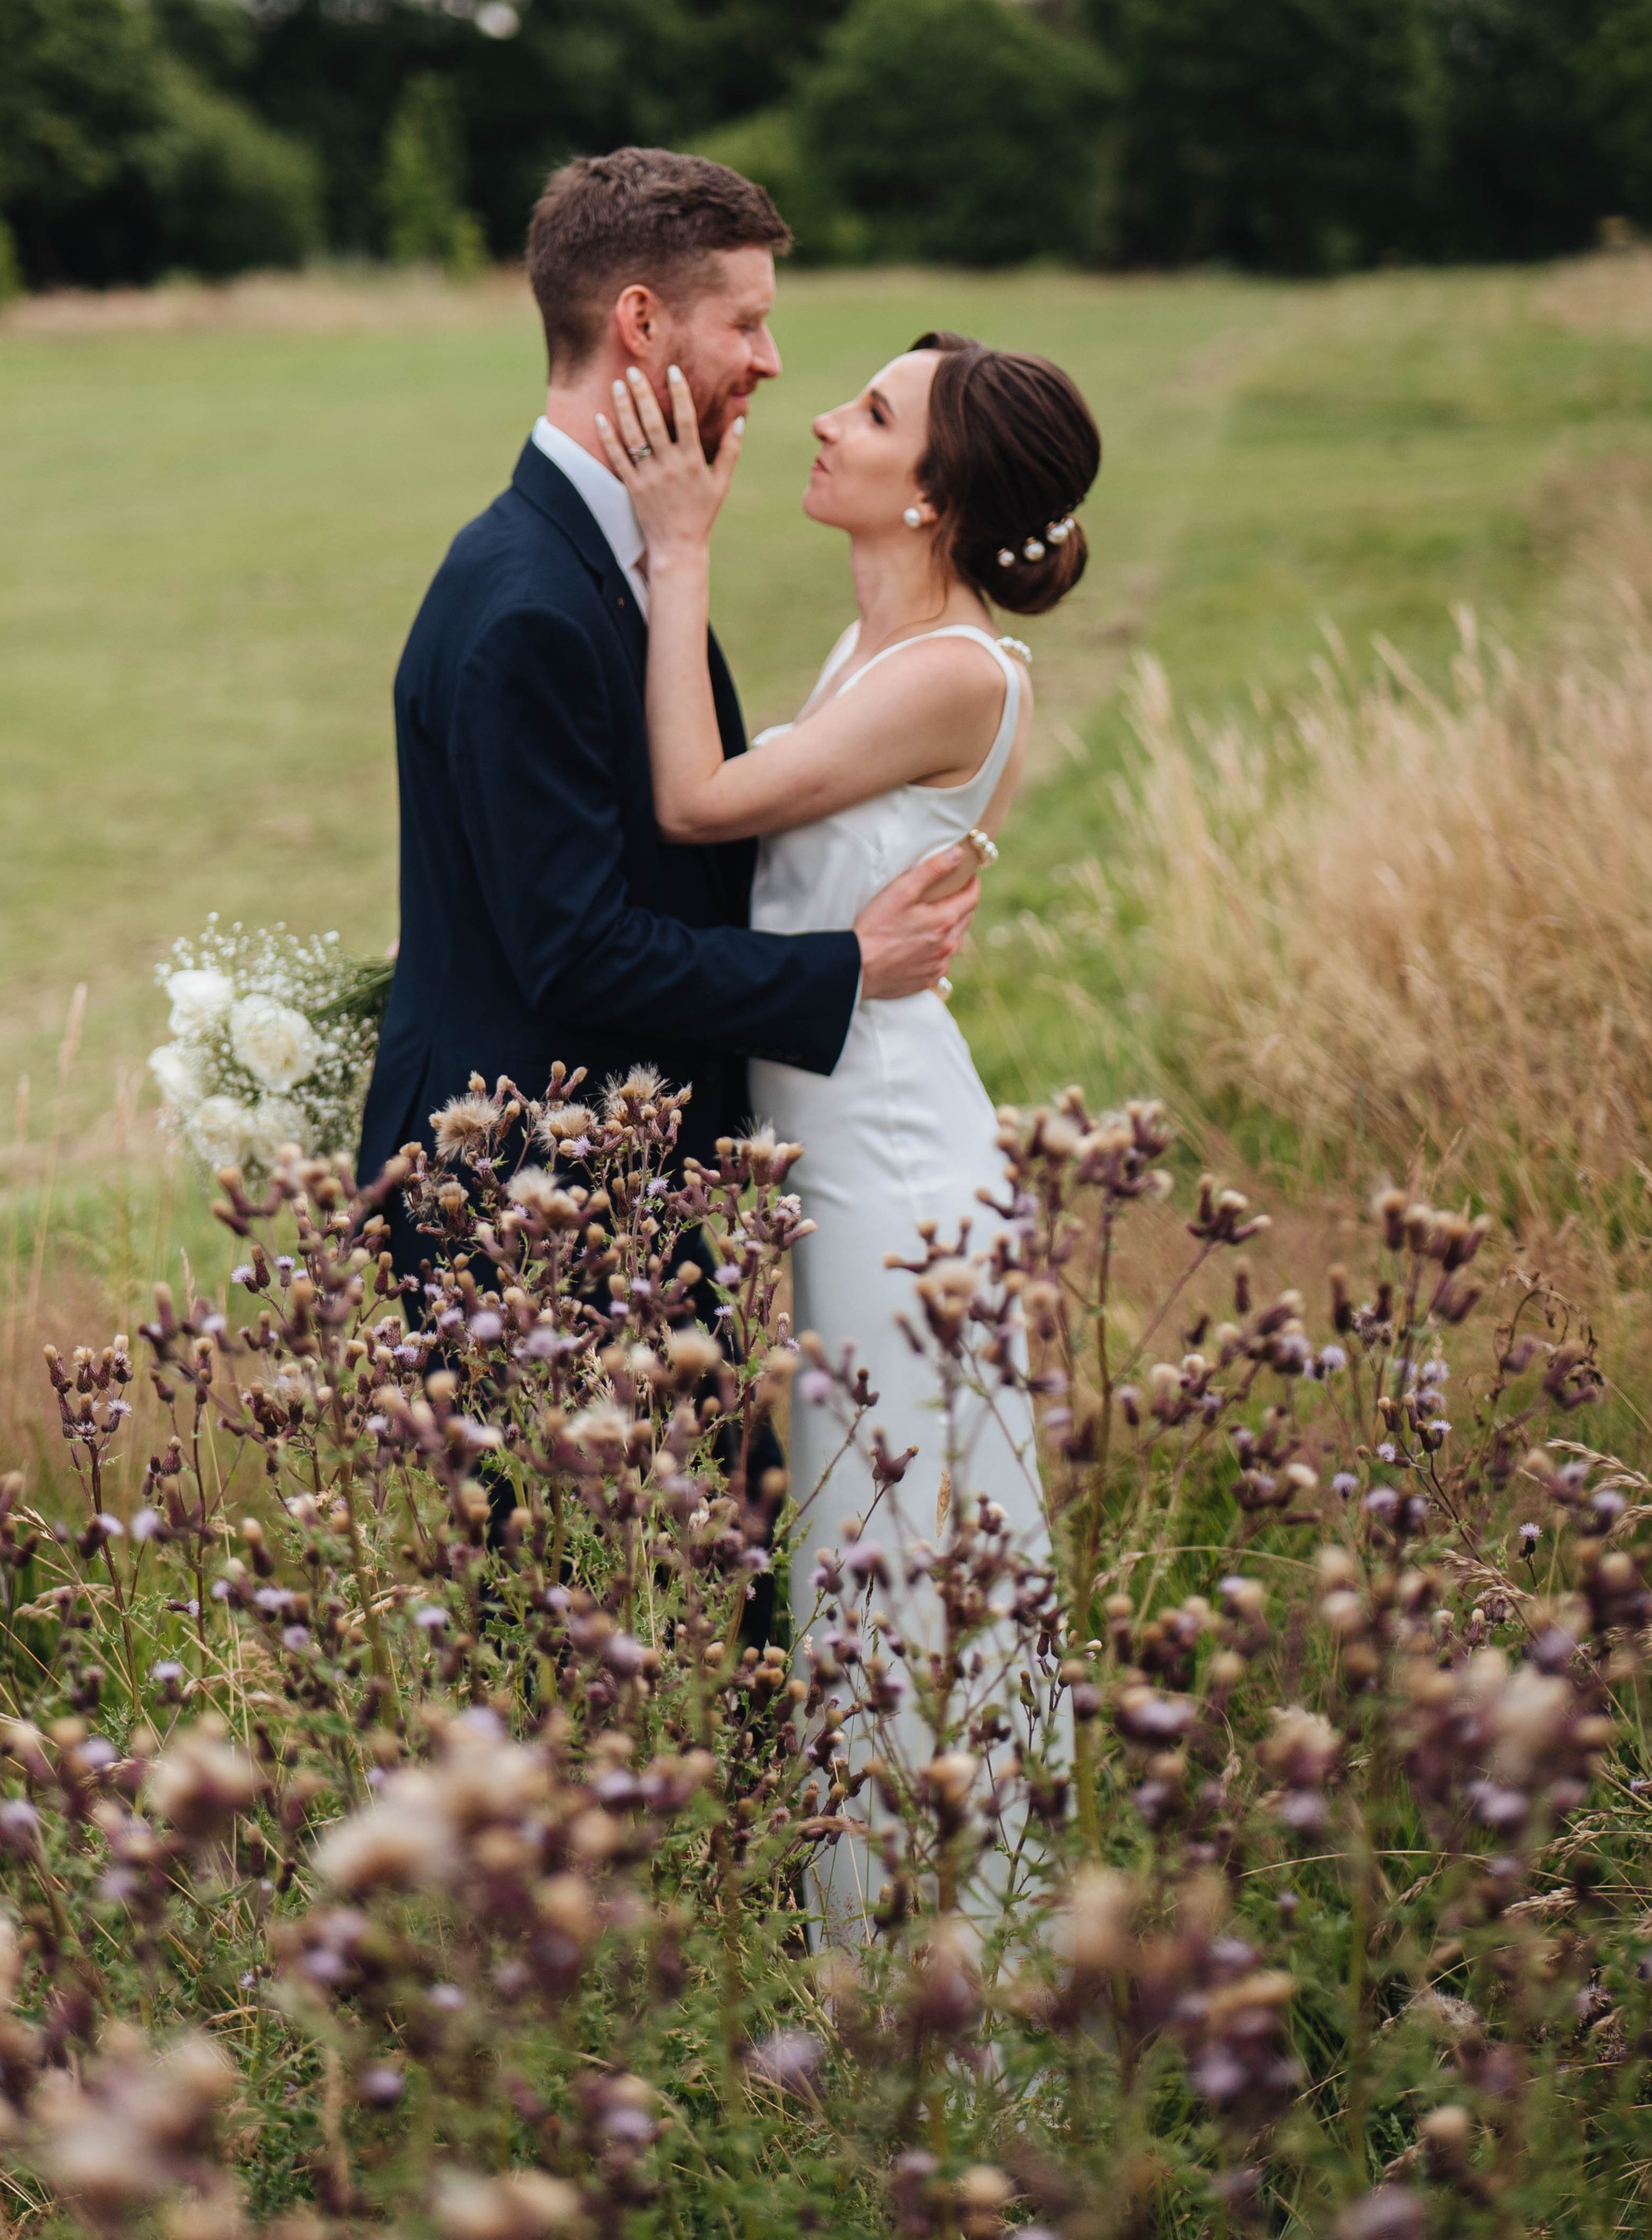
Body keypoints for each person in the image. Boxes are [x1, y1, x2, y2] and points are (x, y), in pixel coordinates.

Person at [592, 322, 1101, 1833]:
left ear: (932, 494)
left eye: (870, 413)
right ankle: (872, 1975)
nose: (823, 418)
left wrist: (677, 547)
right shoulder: (871, 646)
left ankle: (946, 1998)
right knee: (850, 1572)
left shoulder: (953, 673)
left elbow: (698, 801)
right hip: (835, 1156)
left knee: (892, 1569)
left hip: (896, 1177)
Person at [354, 151, 986, 1286]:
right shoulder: (530, 605)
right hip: (507, 1213)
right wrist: (848, 967)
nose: (771, 362)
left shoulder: (612, 551)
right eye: (745, 323)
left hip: (597, 1184)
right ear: (641, 322)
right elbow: (579, 953)